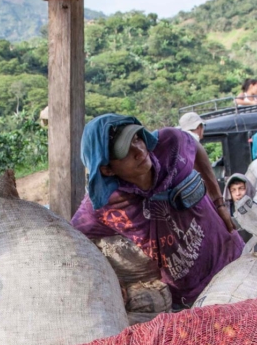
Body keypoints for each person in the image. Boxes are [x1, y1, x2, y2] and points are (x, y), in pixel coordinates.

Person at [72, 114, 242, 307]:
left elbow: (196, 148)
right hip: (191, 299)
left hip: (232, 261)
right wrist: (110, 280)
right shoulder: (103, 206)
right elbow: (72, 237)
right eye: (124, 151)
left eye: (136, 138)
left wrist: (219, 203)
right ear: (107, 170)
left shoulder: (171, 144)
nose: (138, 150)